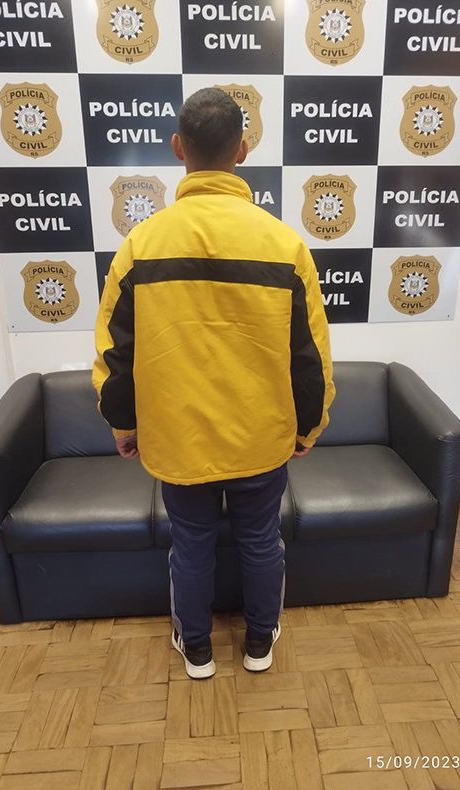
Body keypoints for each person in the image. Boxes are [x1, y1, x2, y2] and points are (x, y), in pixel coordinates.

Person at [92, 88, 335, 680]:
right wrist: (308, 428)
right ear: (242, 150)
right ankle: (259, 643)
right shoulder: (285, 245)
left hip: (178, 438)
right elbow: (310, 357)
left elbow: (114, 354)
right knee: (261, 541)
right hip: (260, 437)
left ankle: (197, 648)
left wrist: (123, 425)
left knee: (192, 543)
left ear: (179, 148)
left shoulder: (140, 245)